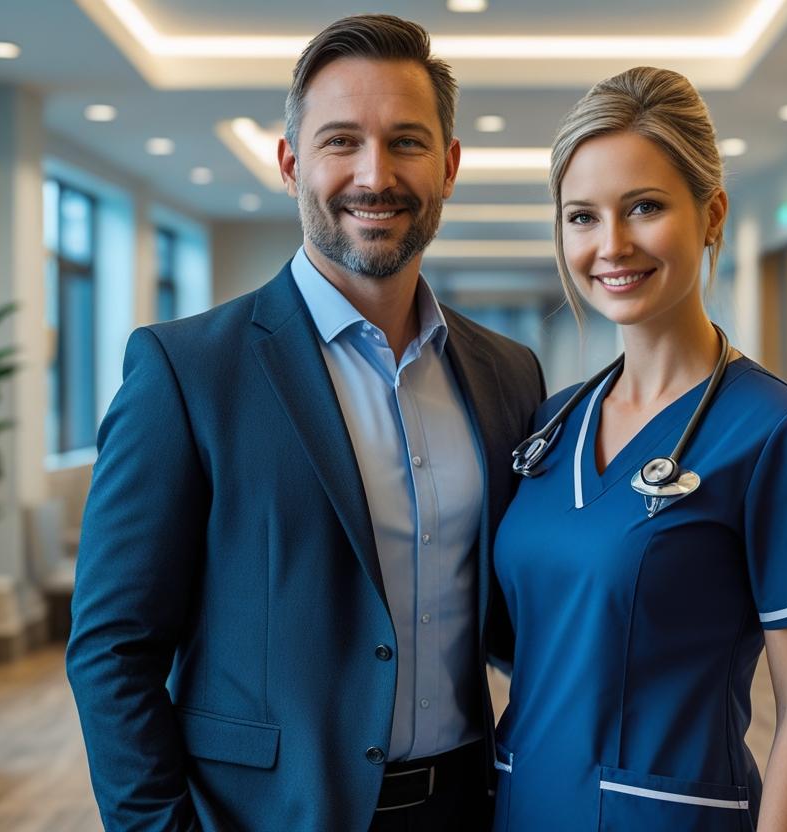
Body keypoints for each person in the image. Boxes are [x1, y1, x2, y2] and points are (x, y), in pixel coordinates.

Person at [66, 14, 543, 831]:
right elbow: (113, 648)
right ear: (290, 165)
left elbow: (516, 612)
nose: (374, 173)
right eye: (340, 141)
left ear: (451, 166)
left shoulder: (508, 374)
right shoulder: (186, 371)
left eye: (407, 142)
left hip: (470, 808)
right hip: (265, 815)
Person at [491, 66, 787, 831]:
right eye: (582, 217)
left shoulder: (777, 435)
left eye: (646, 207)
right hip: (520, 804)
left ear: (711, 214)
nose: (612, 245)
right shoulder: (550, 427)